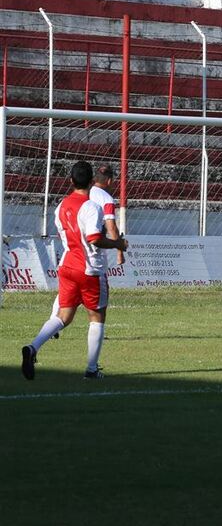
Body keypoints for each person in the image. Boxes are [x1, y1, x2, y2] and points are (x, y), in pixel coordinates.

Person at [21, 161, 128, 380]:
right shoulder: (91, 207)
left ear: (71, 181)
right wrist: (118, 244)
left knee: (63, 316)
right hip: (89, 268)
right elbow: (94, 239)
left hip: (67, 265)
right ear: (91, 182)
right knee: (97, 317)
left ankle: (32, 348)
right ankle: (91, 369)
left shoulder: (61, 206)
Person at [46, 163, 124, 331]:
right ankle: (95, 339)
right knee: (96, 312)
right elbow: (110, 227)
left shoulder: (65, 201)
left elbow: (62, 228)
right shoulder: (105, 198)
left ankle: (51, 324)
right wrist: (119, 248)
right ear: (109, 181)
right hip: (91, 257)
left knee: (67, 295)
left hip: (70, 252)